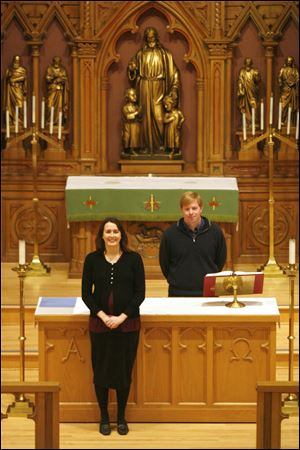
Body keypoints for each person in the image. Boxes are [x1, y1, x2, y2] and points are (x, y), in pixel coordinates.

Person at [81, 217, 145, 436]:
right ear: (102, 236)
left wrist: (121, 317)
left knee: (123, 372)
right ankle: (104, 417)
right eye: (108, 231)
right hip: (100, 325)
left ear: (121, 235)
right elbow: (86, 294)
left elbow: (140, 293)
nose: (111, 235)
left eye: (115, 231)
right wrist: (101, 315)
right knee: (101, 371)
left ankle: (121, 417)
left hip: (127, 326)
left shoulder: (134, 259)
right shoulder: (92, 260)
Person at [159, 191, 227, 297]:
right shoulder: (170, 234)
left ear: (201, 208)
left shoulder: (215, 231)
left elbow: (220, 260)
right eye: (187, 209)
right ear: (181, 210)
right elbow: (164, 263)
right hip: (178, 292)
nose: (191, 212)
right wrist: (176, 280)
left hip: (209, 290)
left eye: (194, 208)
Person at [127, 26, 181, 155]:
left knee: (159, 116)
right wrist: (132, 69)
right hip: (144, 85)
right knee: (145, 116)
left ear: (156, 36)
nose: (150, 37)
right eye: (147, 35)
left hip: (159, 86)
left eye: (152, 35)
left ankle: (161, 146)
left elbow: (174, 72)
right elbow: (132, 71)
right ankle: (145, 146)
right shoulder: (140, 54)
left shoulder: (165, 54)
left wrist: (174, 88)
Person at [3, 55, 27, 125]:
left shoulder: (22, 70)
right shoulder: (9, 70)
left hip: (18, 89)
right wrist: (9, 78)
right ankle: (12, 120)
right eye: (15, 60)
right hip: (11, 90)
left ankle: (20, 121)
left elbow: (24, 78)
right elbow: (6, 80)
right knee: (11, 106)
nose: (16, 62)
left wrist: (14, 79)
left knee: (20, 106)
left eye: (18, 60)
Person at [45, 56, 69, 126]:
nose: (56, 63)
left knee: (59, 108)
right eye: (55, 61)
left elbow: (65, 78)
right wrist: (54, 77)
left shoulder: (62, 69)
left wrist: (60, 79)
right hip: (52, 90)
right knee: (49, 106)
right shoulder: (50, 69)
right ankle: (50, 121)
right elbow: (47, 78)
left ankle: (58, 122)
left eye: (58, 61)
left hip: (59, 92)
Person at [237, 57, 261, 124]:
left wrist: (257, 76)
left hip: (253, 92)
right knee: (245, 107)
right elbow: (240, 81)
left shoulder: (254, 71)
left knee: (254, 106)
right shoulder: (242, 71)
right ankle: (247, 121)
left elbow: (258, 81)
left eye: (249, 62)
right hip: (245, 92)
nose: (248, 63)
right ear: (245, 63)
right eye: (247, 62)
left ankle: (254, 121)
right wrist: (240, 89)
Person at [278, 56, 299, 126]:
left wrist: (294, 82)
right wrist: (281, 83)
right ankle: (283, 121)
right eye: (288, 60)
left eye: (290, 61)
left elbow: (297, 78)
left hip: (292, 90)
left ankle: (290, 122)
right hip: (285, 90)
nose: (289, 62)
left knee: (292, 106)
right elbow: (279, 78)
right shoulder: (282, 69)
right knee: (283, 106)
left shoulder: (295, 70)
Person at [121, 87, 142, 157]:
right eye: (132, 95)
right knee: (129, 138)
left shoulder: (136, 107)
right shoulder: (125, 107)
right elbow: (128, 116)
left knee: (135, 138)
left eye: (135, 95)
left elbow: (139, 117)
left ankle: (135, 149)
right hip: (129, 126)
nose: (135, 97)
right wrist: (136, 113)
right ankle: (129, 150)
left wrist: (139, 114)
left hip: (135, 125)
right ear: (127, 96)